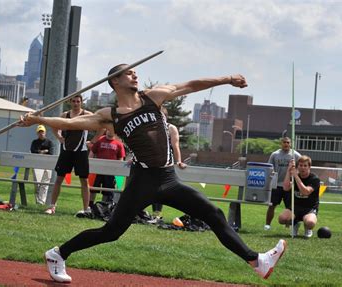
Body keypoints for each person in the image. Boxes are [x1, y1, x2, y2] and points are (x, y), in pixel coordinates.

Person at [19, 65, 286, 283]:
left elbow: (190, 84)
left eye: (135, 72)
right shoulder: (110, 115)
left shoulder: (154, 96)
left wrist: (227, 79)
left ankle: (256, 261)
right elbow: (70, 123)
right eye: (129, 73)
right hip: (143, 181)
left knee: (213, 214)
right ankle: (58, 254)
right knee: (111, 232)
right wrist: (39, 120)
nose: (135, 75)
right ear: (115, 82)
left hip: (168, 178)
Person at [45, 95, 93, 215]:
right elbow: (54, 126)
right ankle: (52, 206)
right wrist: (59, 137)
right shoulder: (64, 115)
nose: (76, 103)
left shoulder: (87, 115)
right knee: (59, 179)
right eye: (74, 101)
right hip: (66, 151)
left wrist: (93, 141)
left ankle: (86, 209)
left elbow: (101, 126)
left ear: (81, 102)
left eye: (78, 101)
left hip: (81, 151)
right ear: (70, 102)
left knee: (84, 180)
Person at [150, 106, 187, 221]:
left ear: (165, 117)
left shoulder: (171, 128)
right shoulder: (150, 128)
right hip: (150, 163)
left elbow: (175, 146)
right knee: (149, 189)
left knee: (161, 190)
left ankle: (157, 214)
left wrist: (179, 161)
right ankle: (144, 214)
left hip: (165, 164)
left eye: (161, 116)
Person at [264, 137, 301, 231]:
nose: (286, 144)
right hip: (276, 185)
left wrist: (295, 175)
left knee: (290, 208)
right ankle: (267, 225)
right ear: (281, 143)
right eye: (284, 142)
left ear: (291, 144)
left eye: (288, 142)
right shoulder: (275, 154)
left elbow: (301, 167)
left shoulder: (295, 155)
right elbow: (269, 168)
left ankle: (289, 226)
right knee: (271, 205)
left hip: (289, 186)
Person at [278, 156, 320, 238]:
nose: (302, 168)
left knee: (310, 223)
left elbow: (305, 192)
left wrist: (296, 176)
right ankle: (295, 224)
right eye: (300, 165)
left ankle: (307, 228)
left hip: (309, 208)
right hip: (295, 207)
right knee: (282, 219)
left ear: (309, 167)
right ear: (297, 166)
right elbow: (286, 188)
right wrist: (289, 170)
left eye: (305, 165)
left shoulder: (314, 179)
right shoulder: (294, 176)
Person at [89, 129, 125, 206]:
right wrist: (90, 163)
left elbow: (120, 158)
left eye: (112, 131)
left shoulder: (119, 144)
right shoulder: (100, 139)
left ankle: (103, 206)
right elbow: (92, 152)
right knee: (93, 189)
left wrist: (118, 170)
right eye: (109, 130)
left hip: (110, 171)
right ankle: (90, 205)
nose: (110, 132)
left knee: (107, 190)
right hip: (98, 169)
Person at [30, 125, 54, 204]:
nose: (41, 133)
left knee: (45, 183)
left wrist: (40, 151)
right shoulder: (34, 142)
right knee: (37, 183)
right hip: (37, 164)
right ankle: (38, 200)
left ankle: (41, 201)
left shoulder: (49, 142)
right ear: (37, 133)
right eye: (39, 132)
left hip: (47, 164)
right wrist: (44, 151)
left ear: (45, 132)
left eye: (42, 132)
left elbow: (51, 152)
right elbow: (33, 151)